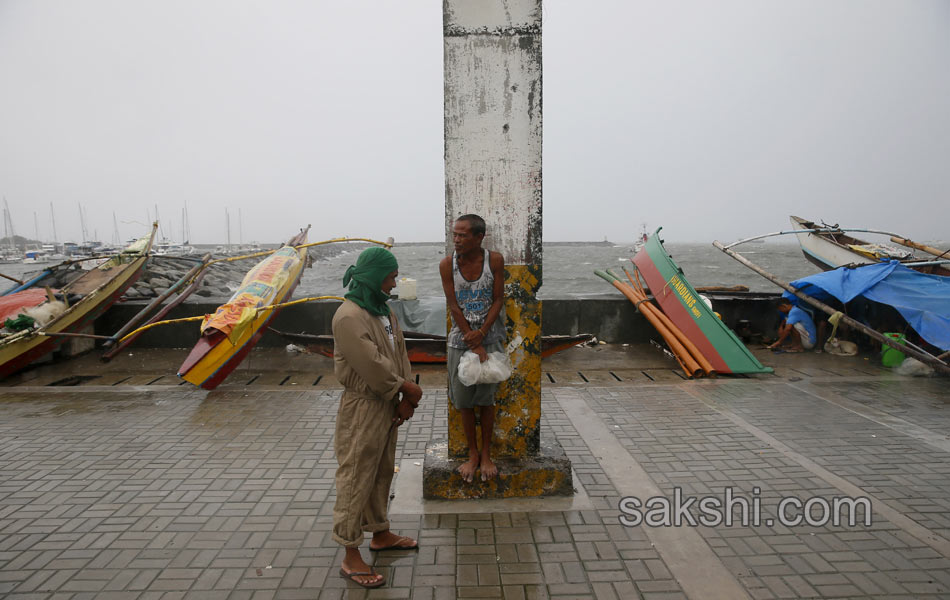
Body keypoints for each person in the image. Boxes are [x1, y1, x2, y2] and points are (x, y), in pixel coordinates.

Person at [331, 247, 423, 589]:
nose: (394, 282)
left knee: (381, 469)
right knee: (356, 474)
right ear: (374, 277)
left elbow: (398, 352)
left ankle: (380, 533)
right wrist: (404, 389)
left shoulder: (382, 311)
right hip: (364, 406)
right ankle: (349, 552)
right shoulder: (349, 316)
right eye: (390, 276)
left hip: (386, 401)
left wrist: (405, 392)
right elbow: (370, 364)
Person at [439, 214, 506, 483]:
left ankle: (487, 453)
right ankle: (472, 454)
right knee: (464, 402)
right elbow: (454, 305)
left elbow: (498, 299)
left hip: (489, 338)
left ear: (479, 237)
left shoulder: (495, 261)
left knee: (486, 401)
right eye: (454, 234)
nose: (456, 240)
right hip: (460, 340)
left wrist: (481, 334)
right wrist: (469, 335)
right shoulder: (447, 265)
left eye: (462, 235)